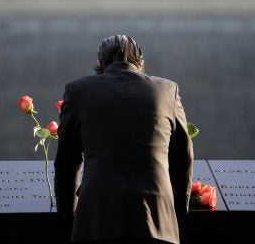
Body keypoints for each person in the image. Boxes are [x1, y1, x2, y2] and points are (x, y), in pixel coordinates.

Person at [54, 34, 194, 244]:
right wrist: (179, 213)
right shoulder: (167, 91)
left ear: (100, 63)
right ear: (141, 62)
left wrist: (67, 218)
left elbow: (66, 162)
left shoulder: (78, 91)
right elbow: (182, 158)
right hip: (156, 220)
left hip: (97, 218)